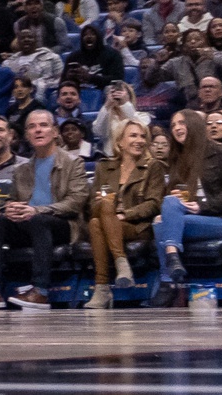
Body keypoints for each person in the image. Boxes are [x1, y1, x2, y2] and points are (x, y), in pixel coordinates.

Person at [0, 110, 88, 309]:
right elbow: (12, 200)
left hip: (62, 224)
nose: (38, 130)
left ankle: (41, 291)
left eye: (43, 125)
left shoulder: (73, 163)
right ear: (27, 135)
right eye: (32, 127)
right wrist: (9, 208)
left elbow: (75, 202)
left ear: (55, 132)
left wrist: (38, 210)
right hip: (29, 223)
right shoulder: (22, 169)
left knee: (38, 221)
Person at [153, 109, 222, 292]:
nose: (176, 128)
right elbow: (173, 198)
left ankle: (168, 284)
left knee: (163, 224)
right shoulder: (177, 158)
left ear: (194, 125)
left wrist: (202, 206)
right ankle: (172, 264)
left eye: (181, 123)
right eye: (173, 125)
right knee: (169, 204)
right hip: (190, 219)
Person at [85, 120, 166, 307]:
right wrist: (104, 206)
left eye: (142, 136)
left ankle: (102, 288)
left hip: (137, 226)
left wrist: (124, 215)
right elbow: (91, 205)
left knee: (96, 225)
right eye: (133, 135)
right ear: (119, 141)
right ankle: (121, 263)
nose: (139, 140)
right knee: (103, 207)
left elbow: (154, 204)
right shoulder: (104, 167)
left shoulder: (153, 167)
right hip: (108, 217)